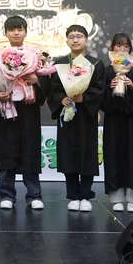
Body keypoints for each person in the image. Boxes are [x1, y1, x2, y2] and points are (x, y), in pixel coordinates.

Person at [0, 15, 48, 210]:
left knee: (30, 150)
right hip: (6, 108)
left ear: (25, 32)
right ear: (5, 33)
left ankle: (34, 195)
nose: (16, 33)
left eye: (20, 29)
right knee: (6, 150)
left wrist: (37, 81)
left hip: (28, 109)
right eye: (12, 30)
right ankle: (6, 195)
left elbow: (48, 81)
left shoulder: (35, 56)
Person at [50, 25, 105, 212]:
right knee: (68, 154)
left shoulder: (96, 64)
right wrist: (62, 98)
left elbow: (99, 89)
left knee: (87, 153)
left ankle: (86, 195)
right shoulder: (60, 64)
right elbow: (54, 89)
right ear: (66, 41)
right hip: (67, 116)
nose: (75, 40)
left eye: (79, 36)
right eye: (71, 36)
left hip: (87, 116)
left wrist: (85, 97)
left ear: (86, 40)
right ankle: (73, 195)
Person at [102, 32, 133, 213]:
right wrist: (109, 88)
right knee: (113, 155)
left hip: (132, 121)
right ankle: (116, 197)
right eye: (118, 45)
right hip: (113, 120)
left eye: (126, 46)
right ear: (112, 48)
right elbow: (101, 99)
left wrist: (132, 87)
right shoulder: (106, 71)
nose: (122, 49)